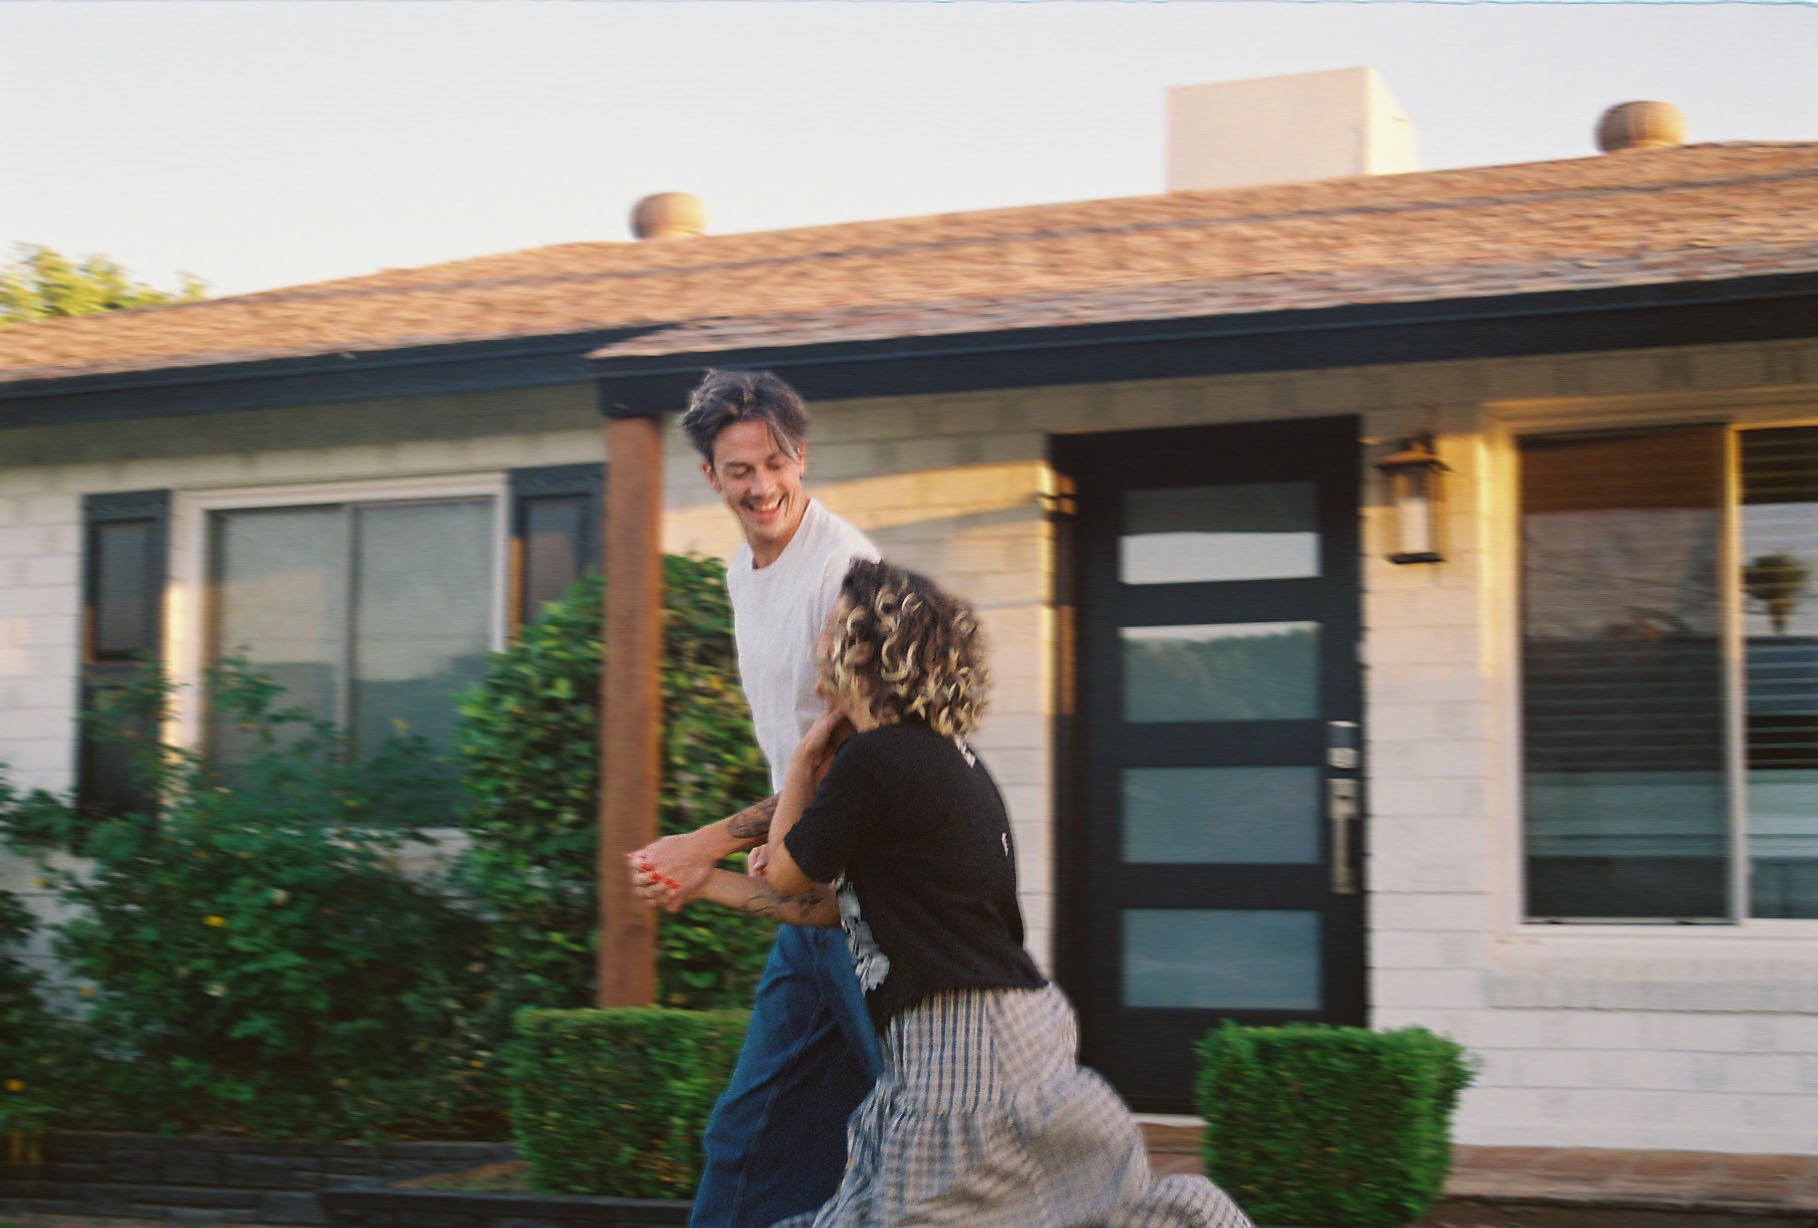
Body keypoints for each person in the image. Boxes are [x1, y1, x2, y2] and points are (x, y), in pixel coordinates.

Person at [640, 559, 1254, 1228]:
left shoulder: (877, 760)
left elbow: (789, 874)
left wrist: (804, 759)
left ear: (862, 645)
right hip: (1004, 1034)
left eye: (829, 626)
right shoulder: (940, 758)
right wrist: (706, 882)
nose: (817, 638)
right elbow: (835, 911)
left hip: (960, 1048)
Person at [628, 369, 883, 1228]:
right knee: (753, 1141)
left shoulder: (845, 571)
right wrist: (725, 850)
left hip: (885, 909)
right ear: (711, 476)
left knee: (938, 1149)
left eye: (775, 462)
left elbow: (853, 763)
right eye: (740, 470)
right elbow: (798, 771)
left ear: (800, 456)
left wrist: (707, 842)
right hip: (815, 903)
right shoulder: (744, 572)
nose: (761, 485)